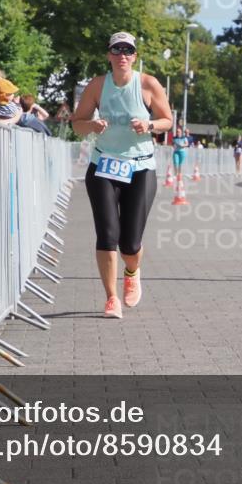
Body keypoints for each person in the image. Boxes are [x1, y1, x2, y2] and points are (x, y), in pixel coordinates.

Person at [71, 32, 173, 319]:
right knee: (107, 234)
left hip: (140, 167)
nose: (122, 55)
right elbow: (76, 123)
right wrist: (92, 125)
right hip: (103, 165)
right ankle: (111, 298)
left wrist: (150, 124)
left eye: (128, 50)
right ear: (109, 55)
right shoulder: (97, 86)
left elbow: (167, 120)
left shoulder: (147, 84)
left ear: (135, 56)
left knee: (130, 241)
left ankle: (132, 271)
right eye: (117, 50)